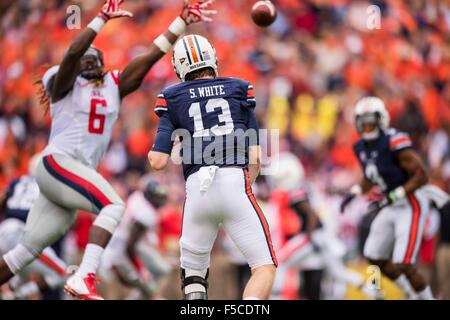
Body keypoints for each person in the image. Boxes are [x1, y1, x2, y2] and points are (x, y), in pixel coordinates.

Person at [0, 0, 216, 300]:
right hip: (58, 163)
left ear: (103, 64)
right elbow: (74, 51)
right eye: (82, 60)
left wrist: (179, 23)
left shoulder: (113, 85)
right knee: (113, 205)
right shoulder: (65, 85)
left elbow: (148, 58)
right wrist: (100, 19)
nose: (87, 61)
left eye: (94, 58)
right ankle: (84, 276)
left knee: (27, 250)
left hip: (72, 176)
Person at [148, 34, 277, 300]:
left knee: (194, 276)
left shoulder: (172, 97)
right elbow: (255, 155)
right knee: (263, 267)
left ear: (179, 67)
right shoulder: (239, 89)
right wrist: (243, 187)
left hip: (197, 192)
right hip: (234, 181)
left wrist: (176, 146)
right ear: (212, 59)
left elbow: (157, 161)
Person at [340, 96, 433, 300]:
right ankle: (404, 293)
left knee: (404, 262)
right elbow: (371, 176)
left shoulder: (393, 141)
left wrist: (395, 195)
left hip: (411, 203)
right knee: (373, 255)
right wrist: (354, 192)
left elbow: (422, 175)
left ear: (381, 119)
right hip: (390, 204)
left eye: (370, 121)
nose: (366, 126)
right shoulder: (361, 147)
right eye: (362, 122)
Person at [269, 152, 377, 300]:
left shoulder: (295, 190)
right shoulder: (306, 187)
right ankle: (373, 293)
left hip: (314, 237)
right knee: (338, 272)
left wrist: (309, 237)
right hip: (322, 237)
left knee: (279, 261)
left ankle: (274, 298)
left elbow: (311, 215)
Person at [100, 176, 170, 299]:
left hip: (119, 246)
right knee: (147, 287)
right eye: (156, 197)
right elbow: (130, 246)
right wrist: (140, 268)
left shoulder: (137, 197)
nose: (160, 200)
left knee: (152, 281)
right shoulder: (145, 214)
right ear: (149, 196)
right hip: (119, 253)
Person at [0, 218, 66, 300]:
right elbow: (62, 273)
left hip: (11, 228)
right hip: (13, 233)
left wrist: (16, 292)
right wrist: (20, 293)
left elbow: (20, 277)